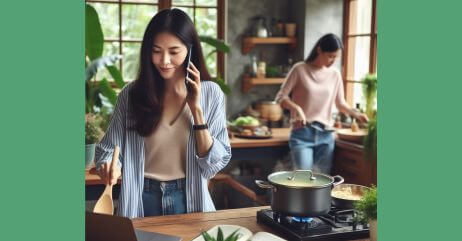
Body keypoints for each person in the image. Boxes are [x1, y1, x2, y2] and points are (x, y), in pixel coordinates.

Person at [94, 8, 231, 218]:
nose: (164, 60)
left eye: (174, 52)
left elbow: (213, 165)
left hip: (190, 199)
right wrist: (109, 167)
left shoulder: (211, 94)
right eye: (156, 51)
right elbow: (106, 150)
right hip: (141, 200)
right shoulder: (130, 95)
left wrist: (196, 110)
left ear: (190, 50)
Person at [275, 33, 368, 174]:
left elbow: (340, 103)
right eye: (330, 56)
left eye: (335, 57)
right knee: (304, 179)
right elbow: (280, 98)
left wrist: (356, 114)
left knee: (322, 182)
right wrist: (297, 108)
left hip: (326, 135)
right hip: (302, 134)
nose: (333, 61)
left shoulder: (335, 74)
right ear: (319, 50)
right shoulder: (299, 69)